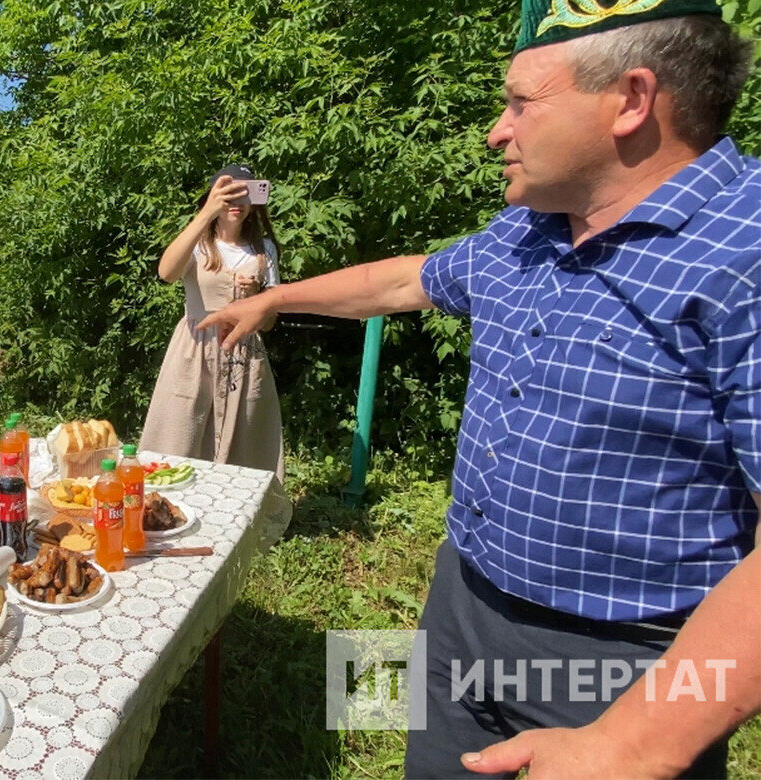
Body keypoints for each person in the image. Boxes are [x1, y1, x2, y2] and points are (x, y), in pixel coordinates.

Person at [201, 4, 759, 777]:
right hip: (462, 596)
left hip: (623, 663)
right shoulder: (527, 231)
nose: (498, 130)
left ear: (632, 100)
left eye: (522, 103)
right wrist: (272, 299)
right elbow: (404, 278)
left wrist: (639, 742)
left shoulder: (746, 251)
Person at [139, 164, 285, 478]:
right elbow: (166, 273)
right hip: (195, 349)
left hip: (244, 354)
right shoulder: (199, 243)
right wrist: (205, 214)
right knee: (181, 431)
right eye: (228, 192)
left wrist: (256, 297)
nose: (236, 201)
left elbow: (270, 322)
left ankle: (238, 510)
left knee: (244, 437)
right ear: (213, 196)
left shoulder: (264, 250)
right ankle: (169, 504)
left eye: (244, 193)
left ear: (254, 201)